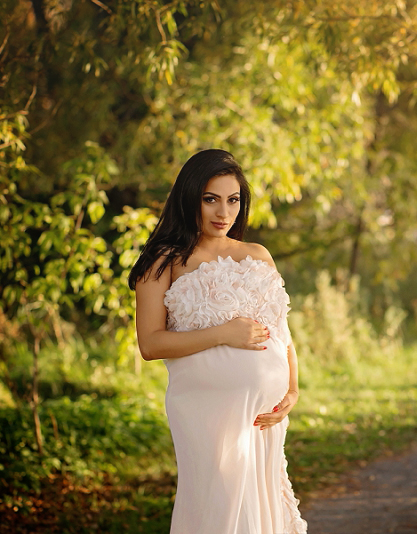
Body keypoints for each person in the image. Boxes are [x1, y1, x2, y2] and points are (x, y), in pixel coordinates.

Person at [128, 149, 308, 534]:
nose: (223, 212)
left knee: (261, 511)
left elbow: (283, 332)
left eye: (233, 200)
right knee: (220, 510)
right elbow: (150, 344)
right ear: (190, 198)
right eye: (210, 199)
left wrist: (292, 391)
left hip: (263, 420)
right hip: (206, 413)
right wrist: (224, 334)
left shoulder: (258, 255)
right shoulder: (164, 261)